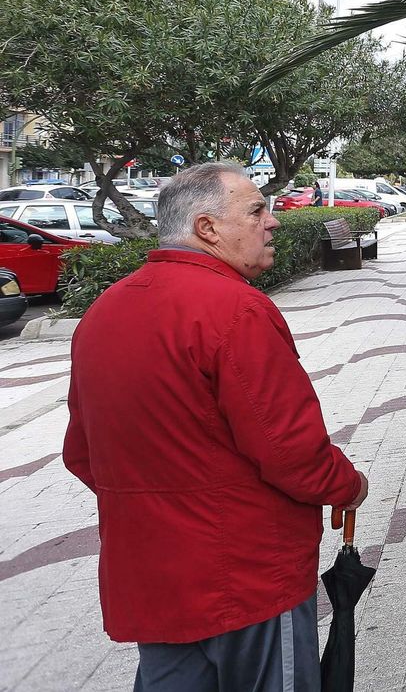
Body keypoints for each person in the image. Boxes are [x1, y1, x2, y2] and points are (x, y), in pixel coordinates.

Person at [63, 162, 368, 691]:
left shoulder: (105, 310)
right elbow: (289, 451)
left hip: (153, 579)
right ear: (207, 229)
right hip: (246, 578)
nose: (272, 222)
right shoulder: (235, 309)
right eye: (256, 210)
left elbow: (81, 454)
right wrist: (348, 485)